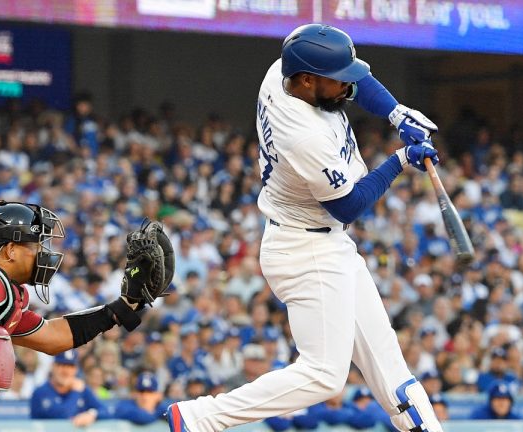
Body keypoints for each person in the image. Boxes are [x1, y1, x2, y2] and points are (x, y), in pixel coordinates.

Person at [167, 23, 442, 432]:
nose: (348, 88)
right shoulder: (302, 135)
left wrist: (396, 112)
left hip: (324, 245)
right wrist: (399, 161)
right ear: (307, 81)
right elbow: (348, 206)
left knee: (392, 373)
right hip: (305, 248)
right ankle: (198, 418)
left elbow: (357, 77)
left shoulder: (286, 69)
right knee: (325, 374)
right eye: (337, 82)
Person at [0, 201, 170, 428]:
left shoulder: (0, 302)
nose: (42, 253)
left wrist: (123, 307)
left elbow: (52, 337)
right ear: (10, 250)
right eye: (36, 245)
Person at [30, 350, 110, 427]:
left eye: (70, 366)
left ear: (76, 369)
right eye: (62, 365)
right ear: (53, 366)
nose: (66, 371)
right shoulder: (40, 393)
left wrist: (92, 414)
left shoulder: (83, 389)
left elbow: (106, 411)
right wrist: (75, 393)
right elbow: (63, 417)